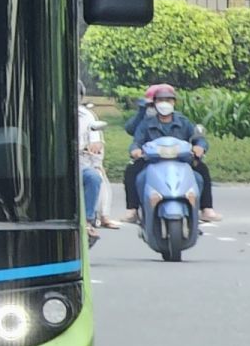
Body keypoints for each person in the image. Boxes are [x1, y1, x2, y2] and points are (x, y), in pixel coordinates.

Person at [124, 83, 219, 223]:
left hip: (181, 160)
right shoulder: (146, 123)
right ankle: (132, 210)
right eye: (160, 100)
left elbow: (199, 139)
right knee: (132, 171)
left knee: (201, 171)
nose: (164, 104)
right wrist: (135, 150)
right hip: (153, 161)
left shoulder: (183, 122)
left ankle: (206, 209)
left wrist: (200, 147)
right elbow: (136, 141)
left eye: (168, 100)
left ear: (174, 102)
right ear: (154, 103)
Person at [77, 90, 107, 243]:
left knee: (93, 177)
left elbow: (96, 140)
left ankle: (88, 220)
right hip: (53, 165)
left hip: (81, 162)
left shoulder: (87, 116)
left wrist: (95, 146)